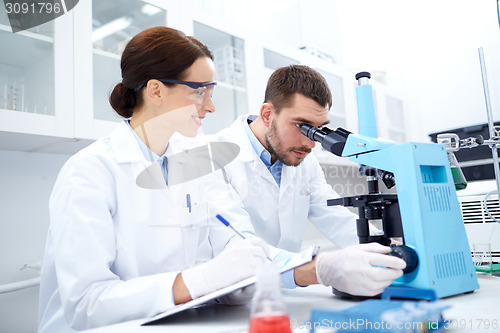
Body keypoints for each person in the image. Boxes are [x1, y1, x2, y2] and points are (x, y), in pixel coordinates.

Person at [37, 27, 269, 332]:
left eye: (211, 93)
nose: (210, 106)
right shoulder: (90, 171)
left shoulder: (195, 163)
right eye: (200, 91)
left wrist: (246, 278)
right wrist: (200, 280)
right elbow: (86, 304)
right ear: (156, 91)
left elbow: (228, 243)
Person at [207, 64, 406, 295]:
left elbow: (335, 215)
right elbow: (238, 246)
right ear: (267, 114)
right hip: (228, 303)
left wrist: (386, 250)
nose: (311, 143)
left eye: (318, 130)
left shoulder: (304, 160)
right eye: (302, 126)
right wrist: (319, 270)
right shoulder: (213, 157)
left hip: (282, 296)